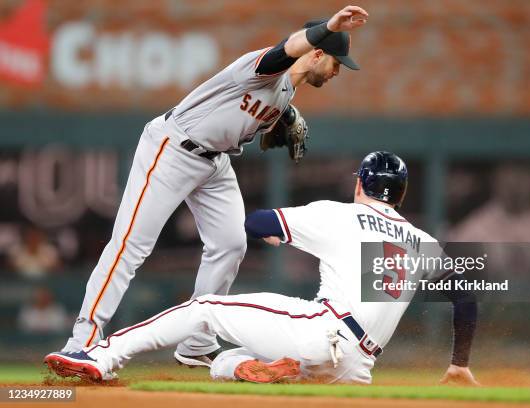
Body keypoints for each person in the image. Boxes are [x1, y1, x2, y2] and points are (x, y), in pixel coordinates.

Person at [58, 5, 370, 369]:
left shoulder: (285, 93)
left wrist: (285, 116)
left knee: (230, 243)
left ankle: (197, 342)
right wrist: (330, 26)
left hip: (215, 162)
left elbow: (257, 106)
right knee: (131, 245)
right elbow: (284, 49)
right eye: (335, 62)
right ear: (316, 53)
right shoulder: (264, 66)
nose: (337, 71)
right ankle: (81, 342)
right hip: (174, 147)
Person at [45, 152, 479, 385]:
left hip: (322, 330)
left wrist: (278, 233)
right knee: (227, 362)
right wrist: (458, 363)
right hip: (356, 368)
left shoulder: (339, 214)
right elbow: (466, 294)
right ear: (400, 196)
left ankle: (101, 356)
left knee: (206, 307)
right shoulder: (423, 242)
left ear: (359, 183)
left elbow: (256, 223)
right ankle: (255, 369)